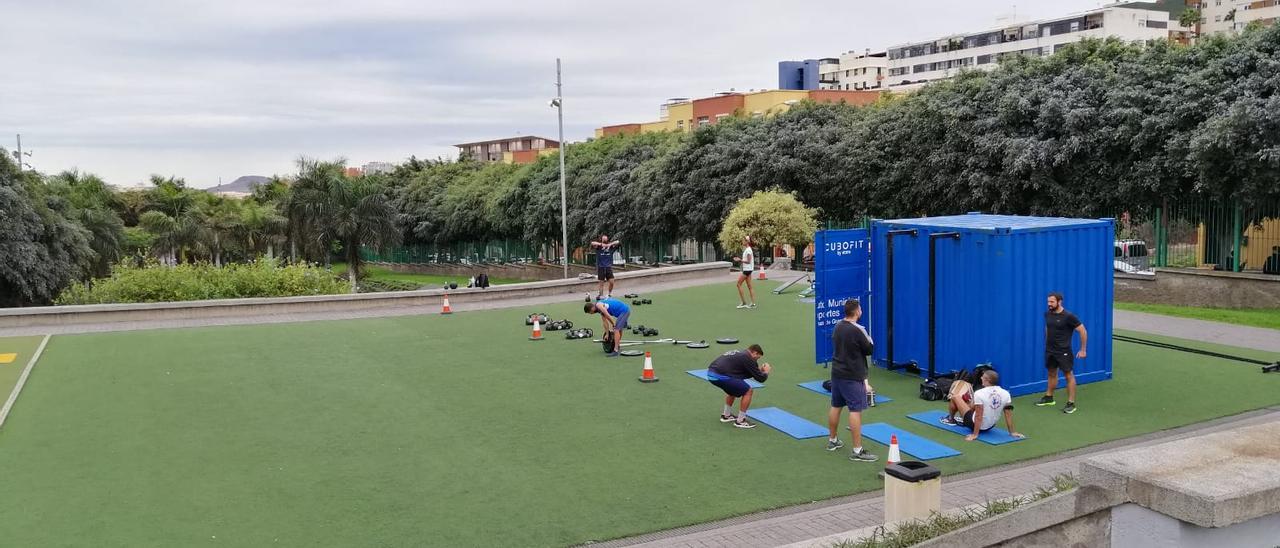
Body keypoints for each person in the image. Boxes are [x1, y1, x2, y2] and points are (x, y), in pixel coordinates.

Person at [826, 299, 877, 462]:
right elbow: (869, 349)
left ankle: (832, 441)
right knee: (855, 410)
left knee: (836, 406)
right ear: (857, 311)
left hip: (837, 373)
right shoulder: (858, 329)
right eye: (860, 308)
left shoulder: (838, 325)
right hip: (852, 376)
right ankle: (857, 450)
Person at [1037, 291, 1087, 414]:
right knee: (1051, 373)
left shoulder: (1068, 316)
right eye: (1048, 301)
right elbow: (1048, 327)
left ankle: (1071, 403)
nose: (1049, 304)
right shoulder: (1047, 314)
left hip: (1063, 351)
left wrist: (1083, 349)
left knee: (1068, 375)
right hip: (1050, 350)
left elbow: (1083, 331)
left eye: (1052, 302)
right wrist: (1047, 342)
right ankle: (1049, 397)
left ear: (1059, 302)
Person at [941, 370, 1023, 441]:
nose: (981, 378)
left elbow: (979, 416)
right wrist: (1012, 432)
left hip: (973, 424)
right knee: (973, 403)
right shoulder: (1006, 393)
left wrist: (975, 434)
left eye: (983, 377)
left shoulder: (979, 393)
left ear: (988, 380)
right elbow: (1008, 414)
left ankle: (950, 419)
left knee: (955, 397)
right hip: (990, 426)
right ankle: (961, 417)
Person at [706, 345, 771, 429]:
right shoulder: (747, 357)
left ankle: (726, 415)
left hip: (711, 374)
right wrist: (766, 372)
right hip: (721, 376)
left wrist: (760, 371)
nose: (756, 360)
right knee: (748, 391)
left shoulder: (741, 354)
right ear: (755, 353)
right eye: (757, 358)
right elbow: (761, 378)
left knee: (732, 390)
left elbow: (746, 373)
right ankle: (740, 420)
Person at [590, 235, 621, 299]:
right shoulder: (598, 247)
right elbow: (592, 243)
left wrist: (610, 244)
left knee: (612, 282)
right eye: (603, 239)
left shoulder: (611, 247)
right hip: (601, 267)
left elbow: (618, 242)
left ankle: (609, 294)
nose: (604, 240)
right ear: (601, 239)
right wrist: (601, 244)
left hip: (608, 267)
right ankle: (601, 295)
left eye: (605, 239)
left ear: (607, 239)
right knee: (601, 283)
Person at [732, 235, 757, 309]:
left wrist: (739, 260)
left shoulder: (748, 250)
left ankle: (744, 303)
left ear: (747, 242)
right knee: (750, 286)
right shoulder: (747, 249)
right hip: (748, 270)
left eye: (744, 240)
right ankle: (753, 303)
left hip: (747, 270)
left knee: (738, 284)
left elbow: (748, 261)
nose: (742, 241)